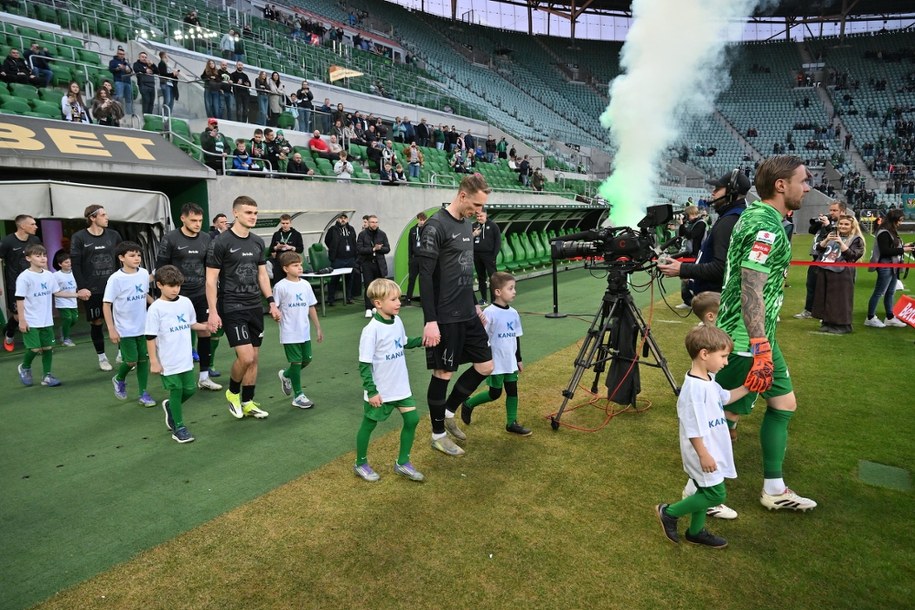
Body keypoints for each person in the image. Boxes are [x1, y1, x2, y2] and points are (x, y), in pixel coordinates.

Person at [715, 154, 817, 512]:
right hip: (745, 338)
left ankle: (774, 488)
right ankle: (700, 492)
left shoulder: (764, 218)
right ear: (780, 185)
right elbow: (750, 287)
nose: (807, 187)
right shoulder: (766, 225)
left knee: (784, 403)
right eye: (803, 181)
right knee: (725, 415)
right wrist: (759, 345)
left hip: (760, 335)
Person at [416, 174, 495, 456]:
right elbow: (424, 277)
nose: (478, 211)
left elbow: (465, 270)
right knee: (444, 372)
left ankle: (449, 411)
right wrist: (430, 320)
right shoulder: (435, 226)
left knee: (485, 366)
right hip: (445, 316)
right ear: (462, 196)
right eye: (475, 204)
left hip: (466, 312)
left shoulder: (465, 224)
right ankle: (437, 435)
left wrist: (474, 304)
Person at [655, 326, 750, 548]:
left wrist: (748, 387)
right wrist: (704, 454)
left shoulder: (708, 379)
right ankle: (669, 512)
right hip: (702, 453)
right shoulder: (694, 390)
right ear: (704, 354)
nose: (726, 362)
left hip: (711, 449)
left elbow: (724, 397)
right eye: (724, 356)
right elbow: (693, 428)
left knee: (703, 490)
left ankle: (695, 532)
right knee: (716, 494)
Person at [206, 195, 280, 420]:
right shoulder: (221, 242)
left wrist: (271, 301)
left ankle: (247, 402)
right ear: (235, 213)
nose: (253, 217)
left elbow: (262, 275)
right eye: (248, 212)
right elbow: (210, 280)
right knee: (246, 357)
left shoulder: (258, 241)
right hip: (232, 306)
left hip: (254, 306)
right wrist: (213, 311)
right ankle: (232, 392)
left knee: (255, 358)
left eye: (255, 213)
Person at [353, 278, 425, 482]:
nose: (398, 302)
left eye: (399, 298)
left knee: (412, 419)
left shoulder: (397, 321)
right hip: (381, 391)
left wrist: (423, 341)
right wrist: (372, 391)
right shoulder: (371, 330)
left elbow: (402, 343)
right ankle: (360, 464)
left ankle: (402, 463)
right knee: (368, 425)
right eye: (393, 299)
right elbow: (364, 365)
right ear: (378, 303)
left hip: (400, 386)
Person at [155, 202, 222, 391]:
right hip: (178, 296)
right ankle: (173, 374)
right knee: (178, 334)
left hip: (201, 293)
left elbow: (211, 265)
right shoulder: (170, 238)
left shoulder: (207, 238)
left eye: (200, 220)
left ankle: (203, 377)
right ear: (182, 218)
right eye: (193, 220)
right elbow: (161, 267)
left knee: (206, 331)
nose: (197, 224)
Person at [658, 170, 751, 297]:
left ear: (731, 191)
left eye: (718, 188)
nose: (713, 192)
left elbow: (720, 268)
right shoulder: (736, 216)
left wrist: (682, 269)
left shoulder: (729, 221)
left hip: (716, 301)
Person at [459, 271, 531, 435]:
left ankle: (511, 423)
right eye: (510, 288)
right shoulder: (489, 313)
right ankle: (469, 404)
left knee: (513, 390)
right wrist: (483, 358)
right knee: (495, 393)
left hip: (510, 361)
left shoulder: (513, 313)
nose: (514, 292)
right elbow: (482, 338)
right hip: (496, 361)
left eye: (514, 288)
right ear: (498, 292)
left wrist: (518, 358)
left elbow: (516, 337)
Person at [146, 265, 210, 443]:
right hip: (167, 360)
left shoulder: (185, 302)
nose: (175, 289)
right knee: (176, 389)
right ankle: (179, 427)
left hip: (185, 357)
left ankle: (171, 407)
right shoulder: (156, 308)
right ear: (159, 285)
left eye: (178, 286)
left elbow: (191, 324)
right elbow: (150, 337)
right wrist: (154, 361)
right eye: (170, 285)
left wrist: (205, 327)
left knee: (189, 390)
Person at [15, 244, 85, 388]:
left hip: (47, 320)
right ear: (28, 258)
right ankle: (25, 366)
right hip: (31, 320)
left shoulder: (49, 275)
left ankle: (47, 376)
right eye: (38, 255)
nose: (42, 258)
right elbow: (20, 299)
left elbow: (57, 292)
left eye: (44, 255)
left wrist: (77, 294)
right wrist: (22, 320)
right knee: (34, 349)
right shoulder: (24, 277)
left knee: (47, 348)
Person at [71, 205, 123, 371]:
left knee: (120, 321)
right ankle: (102, 358)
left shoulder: (114, 235)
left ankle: (123, 353)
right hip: (92, 289)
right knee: (97, 321)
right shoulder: (79, 237)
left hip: (114, 287)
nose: (106, 217)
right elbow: (76, 264)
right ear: (92, 218)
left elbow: (122, 259)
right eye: (103, 215)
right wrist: (82, 288)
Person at [103, 241, 155, 407]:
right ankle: (119, 378)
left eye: (138, 255)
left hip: (143, 326)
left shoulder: (144, 273)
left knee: (143, 360)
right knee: (131, 361)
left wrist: (156, 305)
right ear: (121, 258)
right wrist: (111, 328)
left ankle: (143, 393)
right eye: (132, 255)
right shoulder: (115, 279)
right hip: (124, 329)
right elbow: (106, 304)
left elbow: (144, 294)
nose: (137, 258)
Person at [274, 251, 323, 409]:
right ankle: (298, 395)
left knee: (306, 360)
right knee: (296, 362)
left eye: (300, 265)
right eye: (295, 265)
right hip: (289, 332)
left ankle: (286, 375)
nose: (299, 268)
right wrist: (276, 315)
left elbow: (311, 307)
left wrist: (317, 328)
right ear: (285, 268)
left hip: (304, 331)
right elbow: (274, 307)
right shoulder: (280, 286)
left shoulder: (306, 284)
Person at [811, 215, 865, 334]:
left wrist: (841, 243)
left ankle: (842, 325)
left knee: (840, 300)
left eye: (846, 224)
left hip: (843, 273)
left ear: (852, 226)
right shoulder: (831, 235)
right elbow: (818, 249)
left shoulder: (856, 239)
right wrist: (826, 240)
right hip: (825, 269)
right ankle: (827, 322)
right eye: (841, 224)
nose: (842, 226)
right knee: (826, 298)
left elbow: (853, 256)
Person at [794, 201, 845, 319]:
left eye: (834, 210)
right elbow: (811, 230)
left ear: (842, 211)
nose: (831, 213)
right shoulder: (828, 220)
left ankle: (826, 312)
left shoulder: (843, 223)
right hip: (816, 257)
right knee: (811, 284)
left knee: (827, 288)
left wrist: (827, 225)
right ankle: (809, 310)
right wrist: (820, 222)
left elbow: (838, 236)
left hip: (831, 260)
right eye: (830, 210)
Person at [865, 208, 915, 328]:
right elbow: (885, 251)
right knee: (879, 292)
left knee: (891, 292)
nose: (901, 222)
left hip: (893, 265)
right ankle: (870, 317)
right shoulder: (884, 232)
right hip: (886, 265)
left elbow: (892, 245)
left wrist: (904, 245)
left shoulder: (890, 230)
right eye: (900, 220)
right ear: (894, 219)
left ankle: (890, 317)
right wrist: (904, 249)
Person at [1, 214, 41, 352]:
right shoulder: (7, 242)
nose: (36, 226)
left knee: (34, 313)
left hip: (34, 283)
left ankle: (36, 344)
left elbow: (41, 258)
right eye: (33, 224)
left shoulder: (35, 240)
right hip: (15, 285)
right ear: (22, 226)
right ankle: (9, 332)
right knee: (18, 316)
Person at [356, 215, 390, 318]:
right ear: (368, 223)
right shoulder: (362, 235)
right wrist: (373, 249)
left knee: (379, 287)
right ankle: (368, 308)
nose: (374, 224)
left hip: (379, 264)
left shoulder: (382, 234)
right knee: (368, 286)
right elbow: (360, 249)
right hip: (367, 263)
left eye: (376, 222)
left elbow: (387, 249)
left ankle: (377, 306)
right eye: (372, 222)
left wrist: (380, 248)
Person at [324, 213, 359, 306]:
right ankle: (331, 299)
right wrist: (333, 249)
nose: (343, 220)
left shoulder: (351, 229)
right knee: (334, 279)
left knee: (350, 279)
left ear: (347, 219)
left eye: (345, 218)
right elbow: (327, 240)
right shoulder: (333, 229)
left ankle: (349, 297)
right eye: (341, 218)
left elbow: (354, 241)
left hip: (350, 258)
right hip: (338, 259)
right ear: (337, 219)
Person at [472, 209, 501, 305]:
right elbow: (468, 240)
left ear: (486, 216)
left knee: (493, 278)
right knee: (481, 277)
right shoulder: (473, 226)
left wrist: (494, 256)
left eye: (481, 216)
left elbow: (498, 242)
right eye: (477, 216)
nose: (479, 218)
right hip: (477, 255)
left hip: (489, 256)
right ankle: (484, 298)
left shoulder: (493, 226)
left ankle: (494, 300)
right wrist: (473, 234)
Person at [52, 250, 79, 347]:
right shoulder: (56, 275)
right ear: (60, 264)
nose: (69, 264)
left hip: (73, 301)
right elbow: (55, 291)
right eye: (66, 262)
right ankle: (66, 339)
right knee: (68, 318)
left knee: (74, 319)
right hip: (62, 302)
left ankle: (63, 329)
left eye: (70, 261)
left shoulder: (75, 273)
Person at [269, 214, 304, 283]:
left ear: (290, 223)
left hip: (292, 261)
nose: (285, 225)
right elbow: (271, 249)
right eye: (283, 223)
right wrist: (277, 247)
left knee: (292, 282)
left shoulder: (296, 234)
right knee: (279, 282)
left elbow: (300, 249)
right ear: (280, 223)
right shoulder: (277, 234)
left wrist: (291, 247)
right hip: (279, 262)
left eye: (287, 223)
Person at [404, 212, 426, 304]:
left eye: (423, 220)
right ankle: (408, 299)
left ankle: (423, 300)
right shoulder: (412, 230)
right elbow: (410, 245)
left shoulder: (427, 230)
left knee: (423, 280)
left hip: (423, 258)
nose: (422, 222)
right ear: (417, 219)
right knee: (411, 279)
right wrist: (410, 259)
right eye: (420, 220)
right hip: (414, 259)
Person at [108, 47, 133, 111]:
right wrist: (118, 68)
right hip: (119, 80)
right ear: (117, 54)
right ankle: (118, 111)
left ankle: (129, 113)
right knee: (119, 97)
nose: (121, 55)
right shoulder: (113, 61)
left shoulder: (126, 63)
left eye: (123, 54)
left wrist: (128, 70)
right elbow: (111, 69)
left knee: (129, 99)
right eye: (120, 54)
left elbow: (130, 71)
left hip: (127, 81)